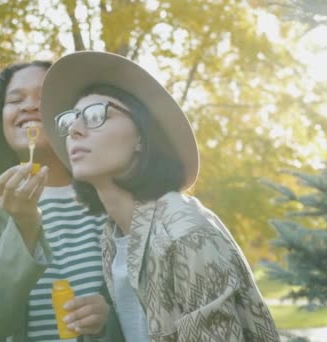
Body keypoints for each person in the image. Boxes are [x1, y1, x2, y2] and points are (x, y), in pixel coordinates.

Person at [40, 51, 281, 342]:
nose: (75, 130)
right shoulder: (113, 236)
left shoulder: (183, 232)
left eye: (96, 115)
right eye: (70, 120)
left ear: (141, 136)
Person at [0, 60, 124, 342]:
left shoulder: (108, 192)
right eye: (15, 99)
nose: (29, 106)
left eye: (43, 97)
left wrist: (110, 317)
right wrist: (23, 227)